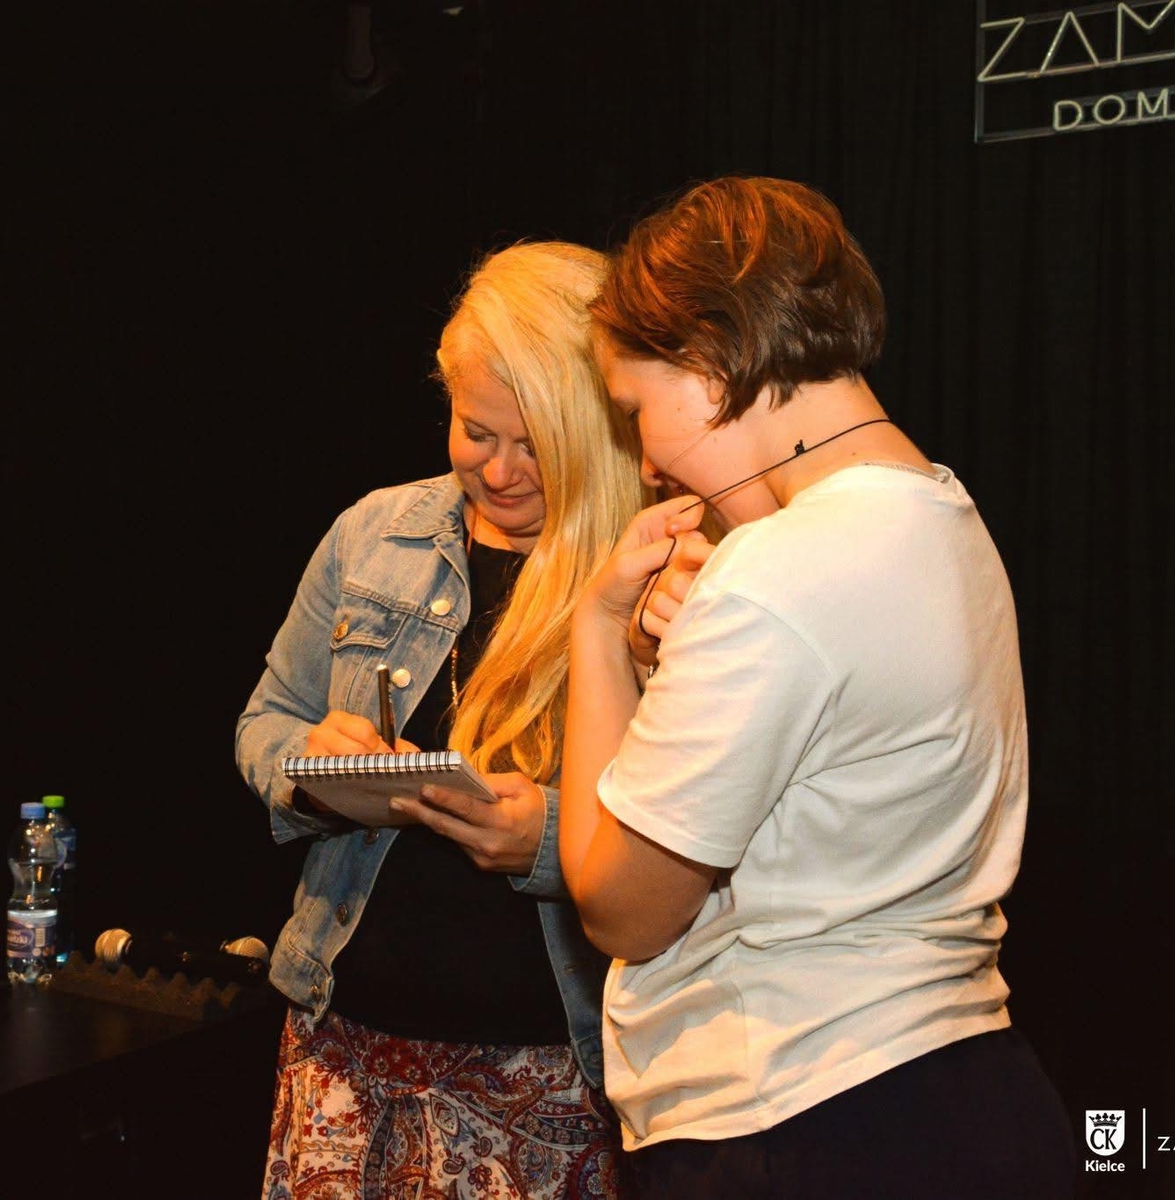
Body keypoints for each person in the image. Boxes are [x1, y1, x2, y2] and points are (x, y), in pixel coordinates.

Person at [551, 176, 1078, 1198]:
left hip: (805, 1116)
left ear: (709, 362)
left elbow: (621, 910)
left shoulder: (777, 569)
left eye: (635, 411)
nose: (646, 464)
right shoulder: (944, 515)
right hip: (960, 1090)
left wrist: (599, 635)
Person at [235, 240, 654, 1199]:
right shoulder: (374, 533)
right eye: (475, 431)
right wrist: (314, 771)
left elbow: (701, 837)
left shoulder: (646, 571)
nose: (499, 471)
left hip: (549, 1078)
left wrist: (549, 840)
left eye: (535, 443)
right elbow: (265, 722)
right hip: (342, 1054)